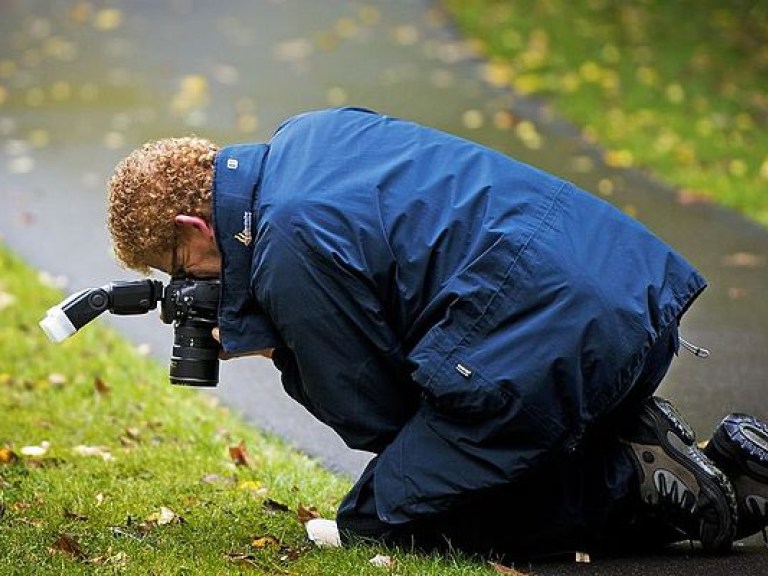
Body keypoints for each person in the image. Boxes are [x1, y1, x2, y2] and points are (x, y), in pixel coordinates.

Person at [106, 107, 768, 560]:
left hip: (562, 347)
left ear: (194, 230)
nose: (195, 287)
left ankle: (634, 479)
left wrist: (277, 343)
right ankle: (716, 455)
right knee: (466, 429)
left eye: (181, 269)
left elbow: (379, 418)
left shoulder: (287, 245)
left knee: (398, 518)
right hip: (630, 301)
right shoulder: (310, 134)